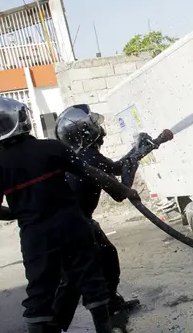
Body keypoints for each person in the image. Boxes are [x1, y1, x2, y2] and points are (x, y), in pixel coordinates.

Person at [0, 97, 139, 333]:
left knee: (40, 293)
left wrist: (26, 212)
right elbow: (91, 173)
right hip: (73, 227)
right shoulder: (52, 148)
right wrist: (125, 190)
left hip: (35, 237)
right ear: (23, 118)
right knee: (92, 285)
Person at [52, 104, 143, 330]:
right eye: (94, 125)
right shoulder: (90, 156)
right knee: (74, 279)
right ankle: (52, 324)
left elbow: (116, 169)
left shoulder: (80, 155)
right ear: (85, 131)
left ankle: (111, 304)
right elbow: (121, 180)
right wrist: (139, 150)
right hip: (75, 226)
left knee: (107, 257)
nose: (99, 128)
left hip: (76, 222)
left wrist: (138, 151)